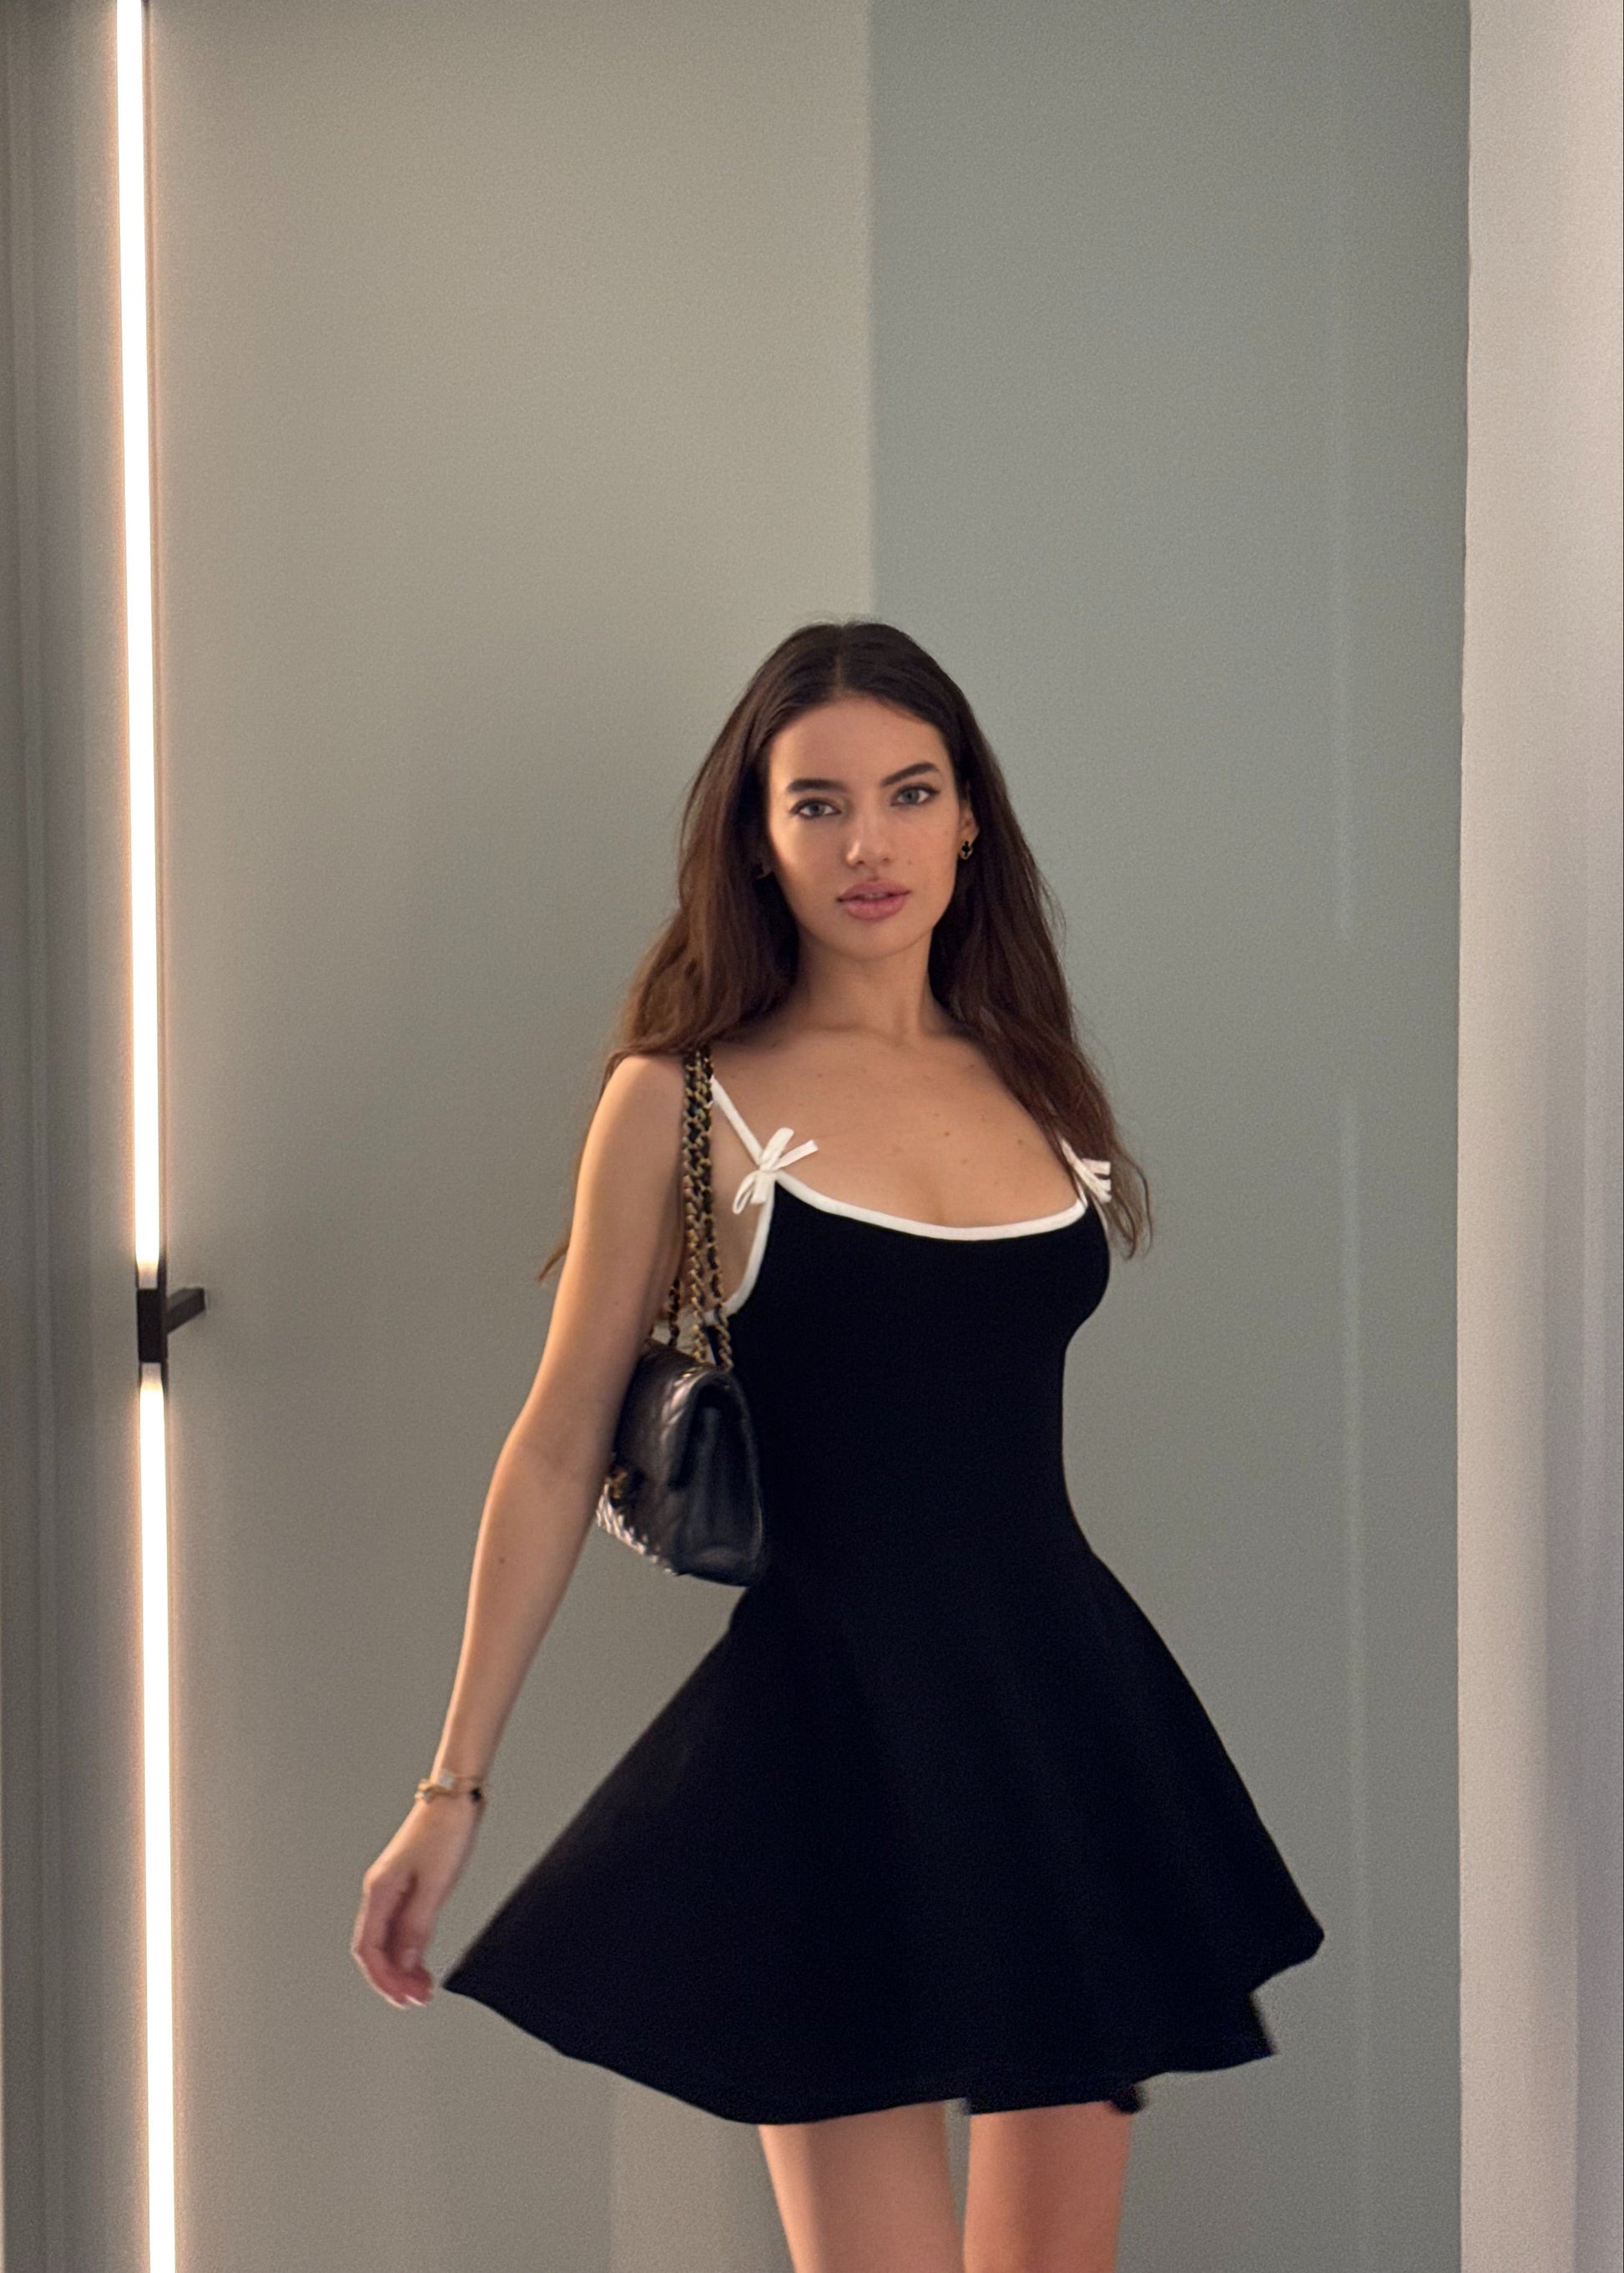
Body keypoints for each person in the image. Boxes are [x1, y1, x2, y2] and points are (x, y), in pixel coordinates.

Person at [352, 618, 1325, 2273]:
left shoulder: (1038, 1082)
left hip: (1065, 1727)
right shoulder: (681, 1100)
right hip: (830, 1744)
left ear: (967, 824)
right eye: (816, 803)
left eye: (906, 792)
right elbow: (551, 1446)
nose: (865, 841)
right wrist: (452, 1786)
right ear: (757, 833)